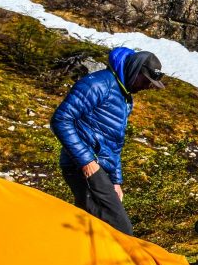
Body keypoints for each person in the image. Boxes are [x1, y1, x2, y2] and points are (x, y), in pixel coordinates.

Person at [51, 47, 165, 235]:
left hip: (99, 166)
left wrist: (115, 181)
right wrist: (86, 162)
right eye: (145, 80)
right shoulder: (97, 84)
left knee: (92, 225)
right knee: (120, 228)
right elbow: (61, 119)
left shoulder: (125, 97)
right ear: (135, 70)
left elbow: (114, 143)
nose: (146, 86)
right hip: (84, 165)